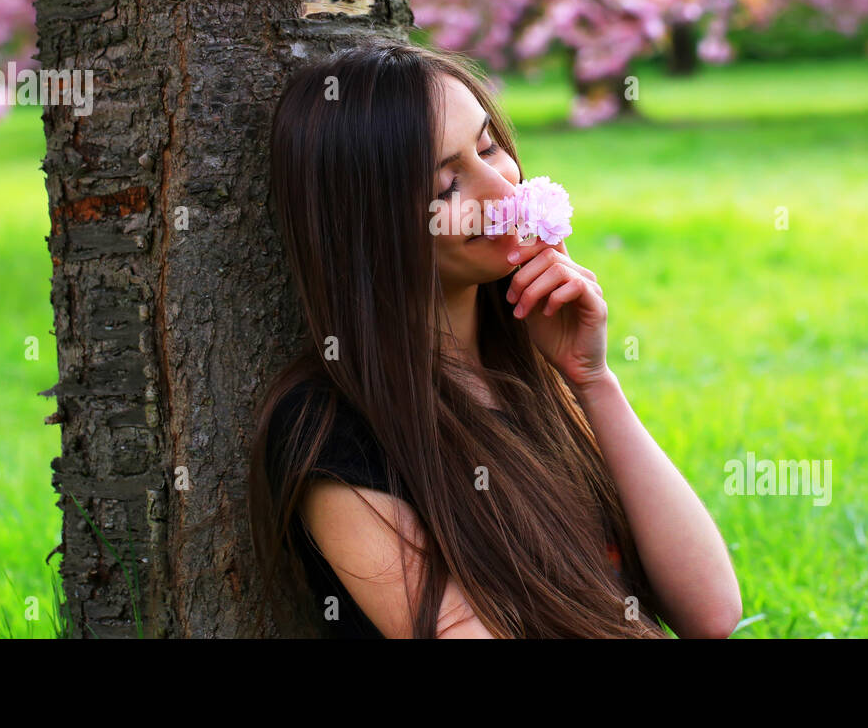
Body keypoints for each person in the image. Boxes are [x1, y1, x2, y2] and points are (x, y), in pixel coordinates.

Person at [247, 38, 741, 638]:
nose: (504, 191)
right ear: (372, 227)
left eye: (488, 147)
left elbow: (712, 612)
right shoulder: (333, 429)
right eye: (449, 186)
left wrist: (593, 381)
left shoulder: (526, 366)